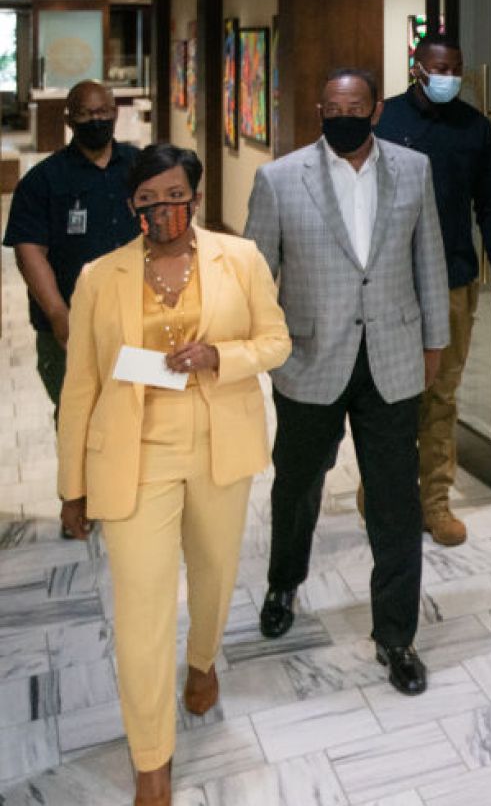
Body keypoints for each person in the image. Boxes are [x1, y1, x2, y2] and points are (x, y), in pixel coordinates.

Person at [56, 144, 290, 806]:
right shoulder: (100, 276)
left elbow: (277, 341)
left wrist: (220, 353)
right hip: (135, 454)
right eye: (148, 198)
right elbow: (81, 387)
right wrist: (71, 486)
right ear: (132, 205)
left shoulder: (238, 259)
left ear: (195, 195)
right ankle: (151, 759)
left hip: (221, 442)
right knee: (141, 609)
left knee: (214, 575)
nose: (164, 209)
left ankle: (203, 659)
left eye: (175, 195)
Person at [244, 68, 449, 696]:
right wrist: (267, 353)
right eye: (333, 106)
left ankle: (396, 636)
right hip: (309, 360)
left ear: (376, 110)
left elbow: (429, 257)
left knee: (396, 501)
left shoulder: (412, 170)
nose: (345, 115)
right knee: (298, 484)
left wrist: (434, 340)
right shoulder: (279, 179)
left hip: (391, 357)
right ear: (318, 110)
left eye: (355, 105)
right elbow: (256, 276)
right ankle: (285, 581)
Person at [373, 32, 491, 546]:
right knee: (389, 396)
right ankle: (386, 498)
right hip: (389, 283)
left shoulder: (474, 128)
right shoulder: (382, 121)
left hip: (454, 279)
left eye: (454, 68)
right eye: (438, 67)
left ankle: (435, 502)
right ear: (416, 67)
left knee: (440, 395)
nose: (447, 77)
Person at [3, 81, 141, 538]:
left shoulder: (140, 167)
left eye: (103, 111)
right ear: (68, 119)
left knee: (135, 404)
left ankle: (126, 490)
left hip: (136, 317)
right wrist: (60, 314)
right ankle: (76, 499)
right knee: (75, 411)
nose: (96, 120)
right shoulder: (43, 179)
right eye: (85, 114)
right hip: (68, 325)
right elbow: (29, 250)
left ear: (115, 113)